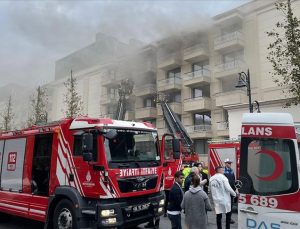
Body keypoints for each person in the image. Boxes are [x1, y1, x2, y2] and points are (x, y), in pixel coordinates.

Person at [223, 158, 236, 224]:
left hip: (231, 190)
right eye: (228, 163)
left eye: (230, 163)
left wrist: (235, 189)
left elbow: (233, 180)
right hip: (225, 191)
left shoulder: (231, 170)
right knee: (226, 205)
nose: (230, 164)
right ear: (225, 163)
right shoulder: (223, 171)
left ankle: (229, 218)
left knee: (230, 205)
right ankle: (227, 218)